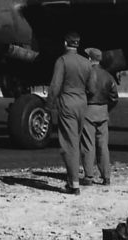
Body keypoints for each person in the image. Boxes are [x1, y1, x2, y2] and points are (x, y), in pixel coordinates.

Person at [45, 31, 93, 195]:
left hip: (67, 103)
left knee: (69, 144)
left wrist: (48, 106)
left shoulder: (62, 61)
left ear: (65, 43)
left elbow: (55, 86)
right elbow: (91, 87)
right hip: (82, 103)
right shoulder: (86, 62)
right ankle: (74, 179)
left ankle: (74, 184)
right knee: (77, 141)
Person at [81, 48, 119, 186]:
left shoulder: (86, 74)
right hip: (103, 112)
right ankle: (106, 177)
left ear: (90, 59)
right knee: (103, 145)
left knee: (87, 144)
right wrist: (106, 109)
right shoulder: (108, 76)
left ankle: (88, 176)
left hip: (88, 111)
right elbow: (114, 98)